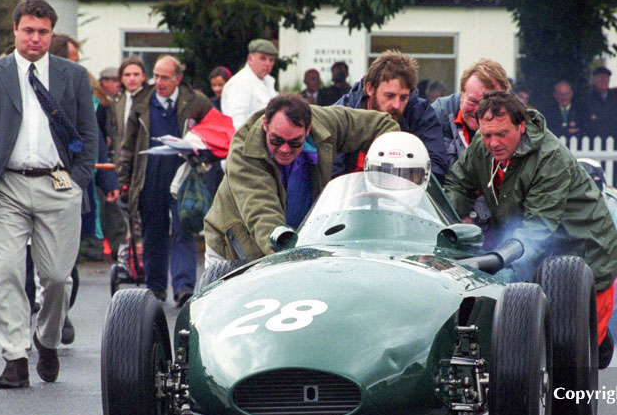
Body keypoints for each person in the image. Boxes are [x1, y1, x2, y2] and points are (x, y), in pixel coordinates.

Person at [0, 0, 98, 388]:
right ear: (16, 31)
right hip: (6, 186)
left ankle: (47, 340)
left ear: (51, 34)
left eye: (43, 32)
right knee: (5, 273)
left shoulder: (72, 75)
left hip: (59, 184)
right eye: (28, 31)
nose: (35, 38)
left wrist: (79, 180)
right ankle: (15, 356)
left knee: (57, 277)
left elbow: (90, 136)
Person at [441, 91, 617, 353]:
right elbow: (458, 183)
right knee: (533, 343)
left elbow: (537, 229)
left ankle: (602, 344)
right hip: (543, 254)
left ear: (521, 126)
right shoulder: (484, 145)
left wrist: (506, 274)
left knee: (572, 355)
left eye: (502, 134)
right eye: (487, 134)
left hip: (588, 255)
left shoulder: (550, 157)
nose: (493, 143)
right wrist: (447, 230)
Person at [203, 93, 399, 263]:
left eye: (295, 142)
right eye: (276, 140)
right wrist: (287, 251)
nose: (285, 149)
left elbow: (382, 125)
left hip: (300, 242)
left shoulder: (326, 121)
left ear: (308, 129)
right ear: (265, 124)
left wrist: (390, 168)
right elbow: (262, 213)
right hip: (236, 247)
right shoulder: (243, 152)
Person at [117, 55, 212, 306]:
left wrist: (204, 153)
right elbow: (127, 146)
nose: (158, 81)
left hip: (183, 178)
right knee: (153, 232)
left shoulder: (195, 102)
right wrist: (123, 182)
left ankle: (183, 288)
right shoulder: (142, 102)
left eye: (164, 77)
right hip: (149, 177)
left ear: (177, 79)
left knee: (184, 230)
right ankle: (156, 286)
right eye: (156, 76)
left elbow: (216, 131)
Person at [333, 50, 447, 178]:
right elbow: (331, 170)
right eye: (389, 96)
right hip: (351, 193)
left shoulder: (421, 113)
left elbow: (436, 166)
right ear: (370, 89)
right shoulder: (342, 113)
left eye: (404, 97)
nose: (396, 105)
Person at [431, 59, 510, 167]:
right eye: (472, 101)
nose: (478, 110)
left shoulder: (517, 122)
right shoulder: (436, 116)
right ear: (462, 95)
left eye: (487, 103)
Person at [221, 39, 278, 131]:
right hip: (250, 141)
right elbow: (237, 123)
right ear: (250, 59)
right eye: (263, 58)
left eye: (271, 60)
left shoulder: (268, 81)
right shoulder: (240, 82)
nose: (268, 63)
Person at [110, 56, 148, 159]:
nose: (132, 78)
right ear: (121, 78)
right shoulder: (116, 102)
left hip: (144, 158)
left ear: (143, 77)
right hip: (122, 159)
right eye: (127, 75)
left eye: (136, 74)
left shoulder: (151, 100)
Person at [582, 66, 617, 141]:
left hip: (615, 147)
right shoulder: (585, 102)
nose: (603, 80)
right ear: (593, 80)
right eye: (600, 77)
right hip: (592, 148)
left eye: (606, 77)